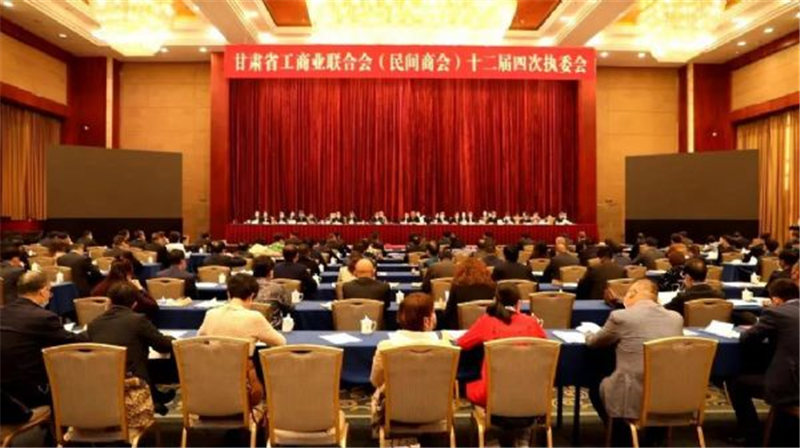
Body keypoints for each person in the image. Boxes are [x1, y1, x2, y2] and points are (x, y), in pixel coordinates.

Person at [584, 279, 682, 426]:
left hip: (631, 394)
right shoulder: (676, 318)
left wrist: (587, 333)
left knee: (596, 385)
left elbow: (594, 342)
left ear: (632, 293)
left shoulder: (621, 317)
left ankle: (621, 433)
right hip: (667, 392)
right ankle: (656, 435)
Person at [457, 284, 547, 446]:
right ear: (519, 304)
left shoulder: (487, 321)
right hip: (530, 397)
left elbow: (462, 343)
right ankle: (523, 435)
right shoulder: (531, 323)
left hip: (492, 397)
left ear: (495, 301)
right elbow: (545, 348)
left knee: (471, 385)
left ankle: (491, 438)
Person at [198, 274, 286, 410]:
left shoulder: (211, 314)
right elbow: (281, 342)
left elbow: (199, 341)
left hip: (211, 382)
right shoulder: (254, 317)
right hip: (244, 387)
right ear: (252, 296)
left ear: (228, 293)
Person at [728, 279, 799, 446]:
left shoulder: (776, 313)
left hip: (791, 384)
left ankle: (751, 435)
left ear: (776, 300)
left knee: (736, 383)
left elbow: (748, 338)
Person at [0, 272, 86, 408]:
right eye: (50, 291)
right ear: (42, 291)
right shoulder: (43, 317)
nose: (50, 296)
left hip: (4, 389)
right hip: (29, 388)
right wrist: (87, 330)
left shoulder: (3, 311)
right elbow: (73, 343)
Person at [88, 282, 175, 414]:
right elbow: (163, 346)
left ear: (109, 301)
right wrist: (171, 339)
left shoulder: (93, 324)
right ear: (134, 304)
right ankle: (153, 400)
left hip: (103, 384)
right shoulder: (138, 321)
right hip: (134, 384)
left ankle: (156, 396)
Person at [369, 293, 447, 438]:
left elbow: (375, 380)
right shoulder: (446, 348)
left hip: (395, 409)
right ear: (428, 320)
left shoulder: (386, 347)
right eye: (433, 312)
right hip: (435, 408)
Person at [92, 259, 159, 319]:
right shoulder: (129, 289)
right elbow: (153, 307)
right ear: (128, 274)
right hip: (130, 323)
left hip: (103, 323)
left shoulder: (98, 289)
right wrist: (141, 289)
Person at [443, 258, 496, 329]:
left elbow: (448, 313)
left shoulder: (457, 287)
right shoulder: (492, 286)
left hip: (461, 330)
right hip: (488, 327)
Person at [252, 256, 292, 329]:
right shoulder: (278, 288)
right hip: (272, 328)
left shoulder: (244, 286)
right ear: (270, 272)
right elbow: (288, 306)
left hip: (248, 327)